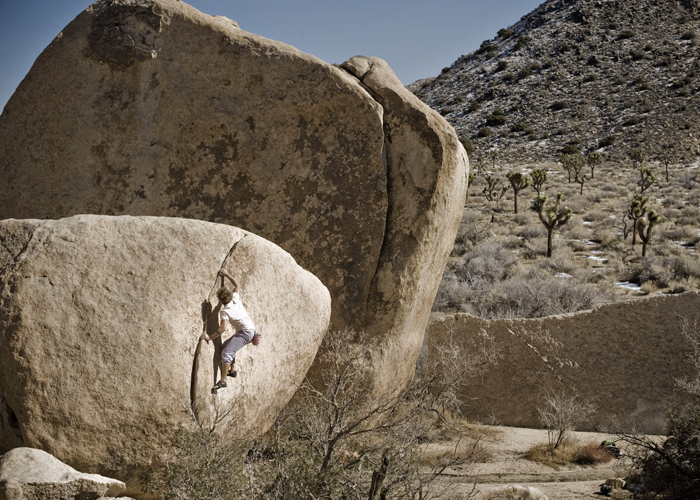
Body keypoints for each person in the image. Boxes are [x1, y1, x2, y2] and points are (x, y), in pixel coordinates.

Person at [200, 269, 260, 392]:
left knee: (226, 354)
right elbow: (237, 285)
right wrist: (226, 275)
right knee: (226, 346)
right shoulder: (235, 299)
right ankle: (232, 371)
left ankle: (223, 381)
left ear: (221, 301)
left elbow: (223, 328)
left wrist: (209, 337)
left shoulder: (225, 311)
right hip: (249, 330)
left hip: (245, 332)